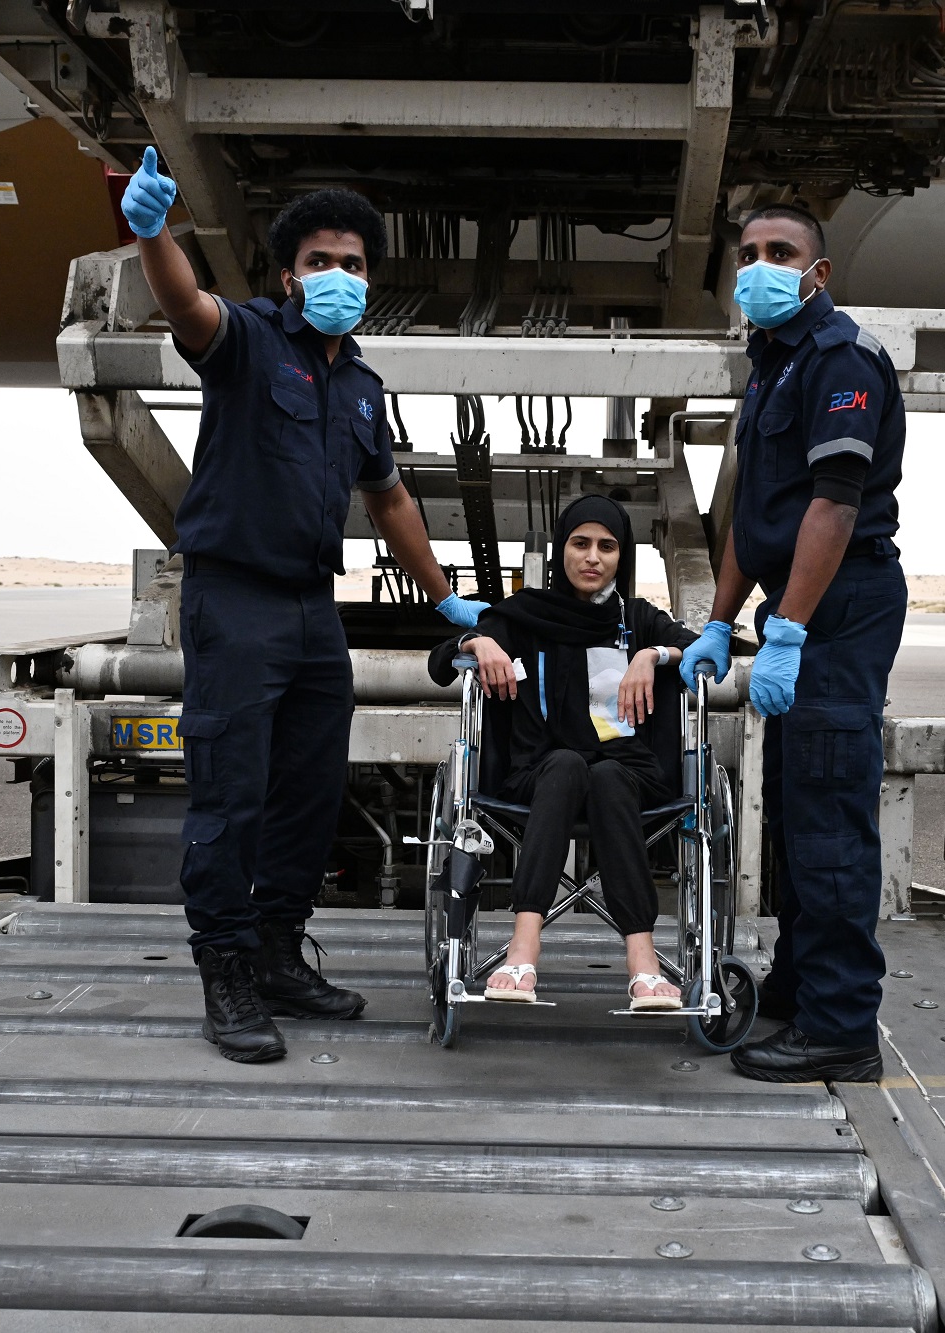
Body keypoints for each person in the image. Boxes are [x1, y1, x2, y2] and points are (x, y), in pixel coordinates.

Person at [120, 150, 490, 1064]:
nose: (338, 275)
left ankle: (279, 951)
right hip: (234, 599)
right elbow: (187, 307)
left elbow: (390, 499)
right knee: (231, 793)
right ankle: (226, 968)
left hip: (313, 611)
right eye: (319, 261)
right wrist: (154, 233)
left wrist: (446, 599)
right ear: (290, 276)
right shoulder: (248, 340)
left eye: (353, 263)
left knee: (312, 792)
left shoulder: (361, 387)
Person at [679, 203, 907, 1084]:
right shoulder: (771, 365)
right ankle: (805, 979)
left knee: (829, 814)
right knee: (794, 810)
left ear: (820, 272)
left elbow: (833, 507)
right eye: (748, 253)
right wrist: (718, 619)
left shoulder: (841, 358)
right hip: (800, 598)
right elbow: (755, 515)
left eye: (781, 252)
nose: (760, 266)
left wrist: (789, 631)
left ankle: (841, 1026)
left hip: (839, 601)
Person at [428, 496, 697, 1009]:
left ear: (622, 556)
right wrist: (478, 644)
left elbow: (703, 649)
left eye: (607, 547)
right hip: (539, 773)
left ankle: (643, 961)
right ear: (561, 550)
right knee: (568, 764)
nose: (593, 557)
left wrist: (652, 654)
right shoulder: (525, 615)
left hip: (627, 777)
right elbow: (440, 660)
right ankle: (523, 947)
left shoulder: (637, 618)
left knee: (607, 775)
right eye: (580, 544)